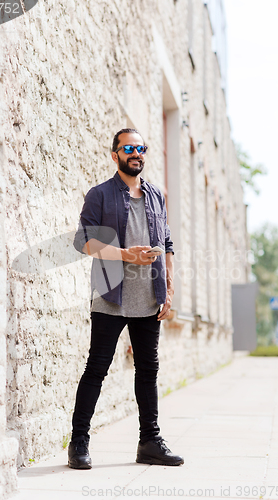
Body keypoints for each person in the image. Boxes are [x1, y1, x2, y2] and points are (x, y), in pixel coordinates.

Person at [68, 128, 184, 469]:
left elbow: (167, 244)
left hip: (149, 298)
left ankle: (150, 441)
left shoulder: (156, 195)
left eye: (141, 148)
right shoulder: (100, 194)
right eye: (129, 147)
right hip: (111, 296)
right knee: (97, 369)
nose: (137, 153)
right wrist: (125, 255)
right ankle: (78, 443)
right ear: (115, 154)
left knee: (148, 371)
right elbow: (83, 241)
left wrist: (170, 288)